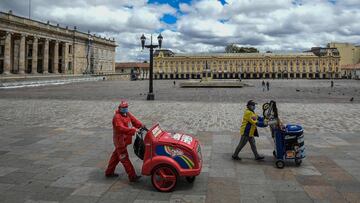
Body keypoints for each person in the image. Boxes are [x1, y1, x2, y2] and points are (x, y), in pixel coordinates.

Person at [105, 100, 143, 182]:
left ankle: (109, 172)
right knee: (124, 158)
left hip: (124, 140)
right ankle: (132, 176)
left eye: (126, 107)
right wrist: (134, 130)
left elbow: (134, 120)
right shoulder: (117, 117)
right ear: (120, 108)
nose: (125, 109)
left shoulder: (127, 114)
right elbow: (120, 128)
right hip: (120, 142)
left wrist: (141, 125)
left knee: (115, 156)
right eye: (123, 107)